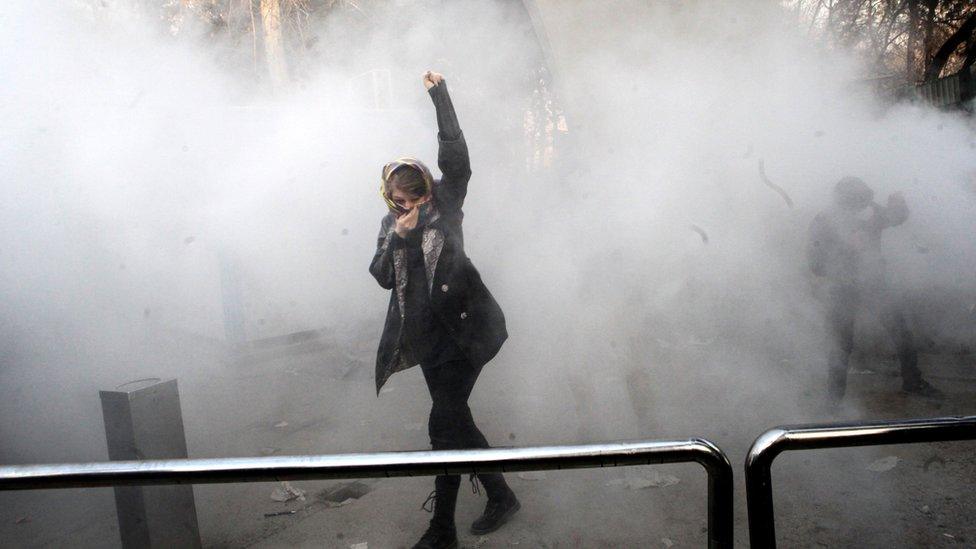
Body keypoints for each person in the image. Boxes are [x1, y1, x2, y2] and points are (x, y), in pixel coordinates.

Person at [369, 71, 520, 549]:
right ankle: (500, 495)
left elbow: (457, 163)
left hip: (466, 337)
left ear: (429, 192)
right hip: (428, 344)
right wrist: (399, 236)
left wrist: (441, 96)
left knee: (443, 428)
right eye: (399, 202)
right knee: (458, 423)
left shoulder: (447, 205)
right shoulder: (391, 225)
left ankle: (442, 531)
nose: (408, 208)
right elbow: (380, 276)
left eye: (416, 200)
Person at [807, 176, 943, 402]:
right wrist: (845, 250)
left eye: (865, 200)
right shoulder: (824, 221)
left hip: (875, 283)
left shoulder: (870, 212)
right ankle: (833, 399)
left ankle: (912, 381)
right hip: (843, 288)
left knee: (901, 332)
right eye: (858, 201)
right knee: (841, 343)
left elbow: (895, 218)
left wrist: (898, 203)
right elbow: (815, 263)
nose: (864, 206)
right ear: (845, 201)